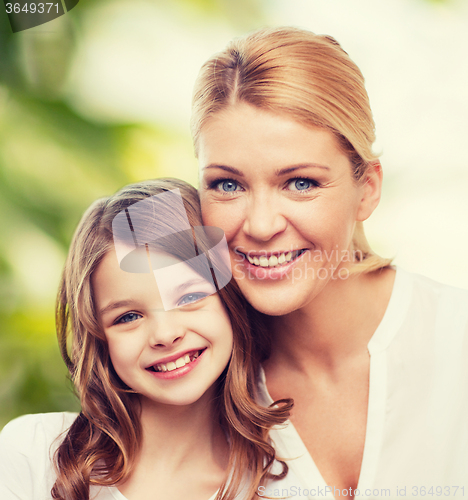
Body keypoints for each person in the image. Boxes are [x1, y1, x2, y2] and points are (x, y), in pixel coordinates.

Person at [191, 27, 468, 498]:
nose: (259, 225)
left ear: (368, 189)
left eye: (300, 183)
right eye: (228, 185)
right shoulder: (191, 381)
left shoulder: (455, 338)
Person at [0, 178, 295, 500]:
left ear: (231, 301)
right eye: (128, 317)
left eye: (189, 296)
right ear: (99, 339)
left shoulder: (281, 483)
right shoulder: (34, 454)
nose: (166, 335)